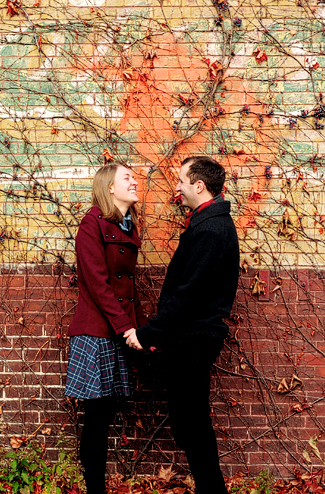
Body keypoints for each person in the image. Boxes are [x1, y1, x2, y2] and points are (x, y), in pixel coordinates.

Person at [124, 156, 239, 494]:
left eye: (180, 181)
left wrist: (148, 333)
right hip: (189, 337)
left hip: (195, 339)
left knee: (191, 422)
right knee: (187, 420)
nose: (176, 187)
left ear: (198, 185)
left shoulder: (211, 229)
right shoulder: (207, 223)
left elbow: (189, 293)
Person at [66, 163, 144, 494]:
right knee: (96, 420)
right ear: (110, 187)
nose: (135, 181)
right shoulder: (91, 224)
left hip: (119, 330)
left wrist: (143, 333)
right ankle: (95, 490)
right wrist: (127, 328)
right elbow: (97, 284)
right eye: (127, 178)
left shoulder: (127, 226)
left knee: (107, 413)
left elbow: (129, 287)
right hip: (97, 333)